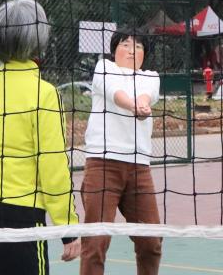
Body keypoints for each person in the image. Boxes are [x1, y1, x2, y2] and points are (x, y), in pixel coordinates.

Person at [0, 0, 80, 274]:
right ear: (39, 40)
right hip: (17, 218)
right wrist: (68, 228)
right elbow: (53, 167)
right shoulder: (44, 94)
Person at [81, 28, 162, 275]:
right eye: (125, 44)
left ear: (144, 54)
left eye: (138, 46)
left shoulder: (151, 77)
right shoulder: (104, 68)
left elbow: (146, 96)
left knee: (151, 242)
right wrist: (133, 106)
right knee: (96, 242)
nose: (131, 50)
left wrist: (142, 105)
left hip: (139, 167)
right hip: (103, 164)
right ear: (114, 50)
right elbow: (116, 94)